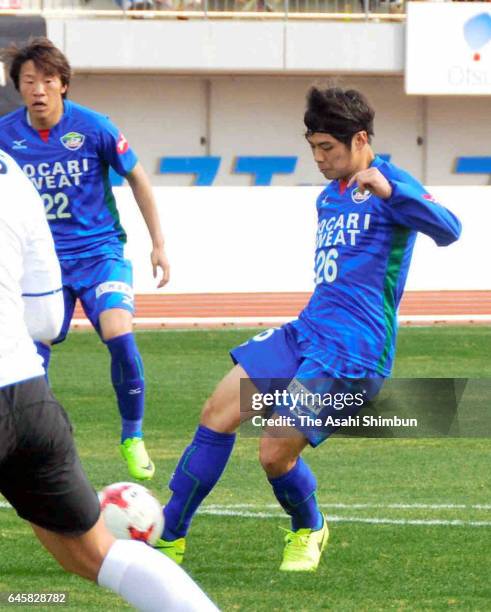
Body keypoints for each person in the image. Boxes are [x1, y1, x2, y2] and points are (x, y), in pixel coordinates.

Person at [154, 86, 462, 571]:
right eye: (313, 147)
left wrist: (391, 191)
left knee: (274, 453)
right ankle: (166, 538)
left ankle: (309, 527)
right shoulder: (328, 196)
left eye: (328, 149)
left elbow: (450, 229)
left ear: (360, 139)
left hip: (353, 352)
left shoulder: (393, 183)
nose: (318, 158)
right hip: (307, 331)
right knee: (217, 411)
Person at [0, 148, 217, 612]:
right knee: (100, 554)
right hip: (29, 399)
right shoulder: (14, 174)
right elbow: (44, 318)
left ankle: (133, 432)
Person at [0, 37, 170, 481]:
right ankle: (35, 446)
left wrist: (158, 243)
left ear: (64, 85)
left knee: (119, 333)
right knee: (31, 356)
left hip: (99, 253)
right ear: (18, 87)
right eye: (29, 81)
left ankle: (132, 435)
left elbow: (138, 177)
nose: (38, 89)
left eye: (47, 80)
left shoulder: (95, 127)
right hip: (41, 265)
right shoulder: (5, 136)